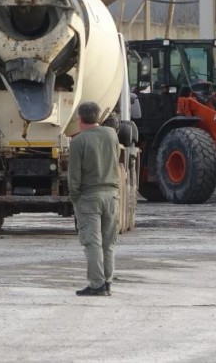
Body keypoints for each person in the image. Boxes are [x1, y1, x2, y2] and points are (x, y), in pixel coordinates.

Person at [68, 101, 120, 296]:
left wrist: (75, 198)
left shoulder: (79, 141)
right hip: (112, 194)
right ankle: (107, 282)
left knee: (92, 242)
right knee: (108, 242)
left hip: (89, 196)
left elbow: (74, 176)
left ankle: (96, 284)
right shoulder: (111, 134)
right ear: (98, 116)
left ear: (80, 118)